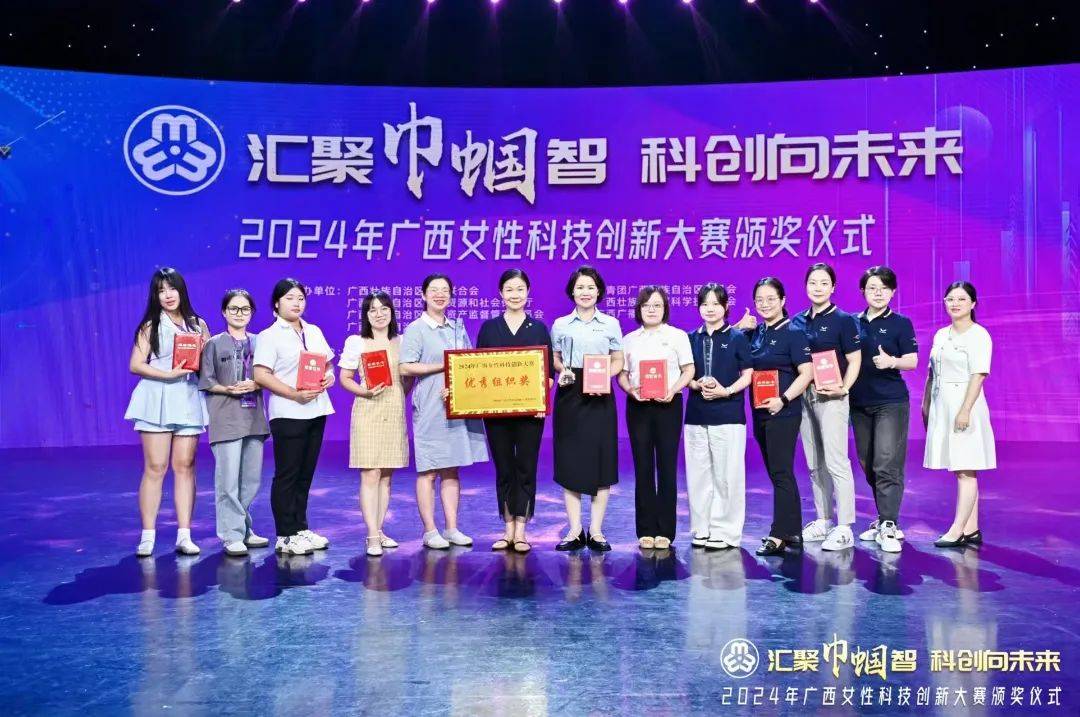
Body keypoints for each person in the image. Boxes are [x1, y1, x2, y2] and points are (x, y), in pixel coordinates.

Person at [400, 273, 489, 550]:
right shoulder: (416, 328)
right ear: (423, 295)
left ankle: (451, 528)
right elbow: (406, 366)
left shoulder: (456, 327)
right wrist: (443, 366)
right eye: (434, 290)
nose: (439, 295)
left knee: (452, 469)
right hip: (430, 405)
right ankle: (430, 531)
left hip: (457, 403)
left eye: (445, 290)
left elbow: (468, 362)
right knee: (429, 470)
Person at [124, 267, 210, 557]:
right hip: (157, 398)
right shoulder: (151, 325)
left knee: (185, 466)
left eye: (171, 288)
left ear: (181, 290)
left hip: (188, 397)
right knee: (156, 467)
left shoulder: (198, 324)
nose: (168, 295)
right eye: (161, 290)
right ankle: (147, 536)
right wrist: (168, 375)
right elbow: (136, 364)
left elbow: (208, 363)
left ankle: (184, 535)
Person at [253, 278, 336, 556]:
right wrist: (293, 394)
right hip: (288, 412)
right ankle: (285, 534)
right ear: (277, 303)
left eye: (300, 298)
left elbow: (327, 364)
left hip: (317, 409)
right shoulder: (269, 335)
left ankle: (300, 528)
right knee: (287, 474)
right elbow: (261, 374)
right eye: (289, 298)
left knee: (305, 473)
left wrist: (329, 376)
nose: (296, 303)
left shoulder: (313, 330)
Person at [476, 269, 554, 553]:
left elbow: (548, 374)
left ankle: (521, 529)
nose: (515, 295)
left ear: (528, 292)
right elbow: (477, 370)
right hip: (496, 414)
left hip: (530, 414)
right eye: (509, 289)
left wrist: (540, 401)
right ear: (501, 293)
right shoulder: (489, 328)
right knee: (504, 467)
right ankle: (507, 527)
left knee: (526, 467)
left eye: (520, 289)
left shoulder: (539, 328)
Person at [550, 265, 624, 552]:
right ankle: (574, 529)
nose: (585, 292)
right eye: (580, 287)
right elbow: (556, 359)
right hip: (570, 393)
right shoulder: (560, 324)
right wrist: (562, 370)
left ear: (599, 291)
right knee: (570, 460)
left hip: (600, 394)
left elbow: (618, 360)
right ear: (572, 291)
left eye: (590, 287)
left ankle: (596, 530)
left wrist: (604, 376)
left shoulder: (610, 323)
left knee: (601, 460)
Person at [791, 263, 862, 552]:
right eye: (812, 282)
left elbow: (854, 360)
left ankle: (845, 526)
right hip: (804, 395)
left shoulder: (844, 320)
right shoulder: (797, 321)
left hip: (832, 397)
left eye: (823, 283)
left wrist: (844, 388)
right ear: (805, 286)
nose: (817, 288)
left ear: (833, 287)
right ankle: (823, 519)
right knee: (814, 462)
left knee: (836, 461)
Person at [618, 286, 695, 550]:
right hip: (638, 406)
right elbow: (622, 374)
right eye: (646, 305)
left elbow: (689, 370)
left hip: (668, 406)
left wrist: (673, 390)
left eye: (657, 305)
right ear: (639, 309)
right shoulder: (628, 339)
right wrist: (630, 390)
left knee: (667, 466)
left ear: (665, 309)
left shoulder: (677, 336)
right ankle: (645, 529)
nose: (651, 310)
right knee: (642, 467)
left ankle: (665, 530)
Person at [849, 266, 919, 553]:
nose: (878, 293)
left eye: (884, 288)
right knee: (868, 462)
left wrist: (892, 362)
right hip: (858, 402)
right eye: (872, 288)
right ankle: (882, 518)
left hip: (891, 401)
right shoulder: (851, 323)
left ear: (892, 292)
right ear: (863, 291)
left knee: (887, 462)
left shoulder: (901, 323)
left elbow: (912, 361)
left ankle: (889, 523)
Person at [923, 281, 996, 548]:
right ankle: (971, 528)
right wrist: (926, 403)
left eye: (961, 299)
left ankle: (957, 530)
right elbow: (932, 372)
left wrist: (965, 410)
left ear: (973, 303)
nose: (955, 304)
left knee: (966, 469)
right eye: (950, 299)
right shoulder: (941, 334)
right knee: (960, 468)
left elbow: (979, 375)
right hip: (942, 404)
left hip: (965, 404)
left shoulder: (979, 335)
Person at [199, 289, 271, 557]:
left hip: (254, 418)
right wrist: (226, 389)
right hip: (226, 417)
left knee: (250, 480)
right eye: (234, 308)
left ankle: (243, 528)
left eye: (245, 309)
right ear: (224, 312)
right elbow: (206, 380)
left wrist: (257, 384)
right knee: (227, 481)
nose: (239, 313)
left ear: (252, 313)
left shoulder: (261, 342)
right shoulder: (213, 344)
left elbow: (270, 375)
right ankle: (231, 535)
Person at [339, 291, 411, 557]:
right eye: (373, 310)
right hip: (367, 410)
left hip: (394, 411)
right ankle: (371, 535)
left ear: (392, 312)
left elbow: (408, 378)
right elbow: (345, 378)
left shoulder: (403, 341)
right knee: (370, 474)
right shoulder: (356, 342)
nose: (379, 314)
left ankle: (380, 530)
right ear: (366, 315)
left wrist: (400, 394)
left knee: (387, 476)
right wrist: (365, 391)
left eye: (384, 309)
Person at [747, 277, 814, 556]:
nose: (765, 304)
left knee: (781, 471)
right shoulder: (756, 333)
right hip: (760, 410)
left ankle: (779, 534)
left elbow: (807, 373)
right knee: (778, 472)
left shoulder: (794, 333)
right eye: (759, 300)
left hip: (783, 411)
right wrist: (740, 326)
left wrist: (783, 399)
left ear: (783, 300)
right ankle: (793, 529)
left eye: (771, 299)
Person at [684, 283, 754, 551]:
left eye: (715, 304)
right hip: (696, 416)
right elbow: (685, 375)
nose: (710, 309)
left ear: (725, 306)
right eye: (704, 304)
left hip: (729, 415)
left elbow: (747, 375)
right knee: (698, 476)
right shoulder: (691, 338)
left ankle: (726, 532)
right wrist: (695, 384)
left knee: (727, 476)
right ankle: (701, 528)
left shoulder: (737, 337)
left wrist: (726, 391)